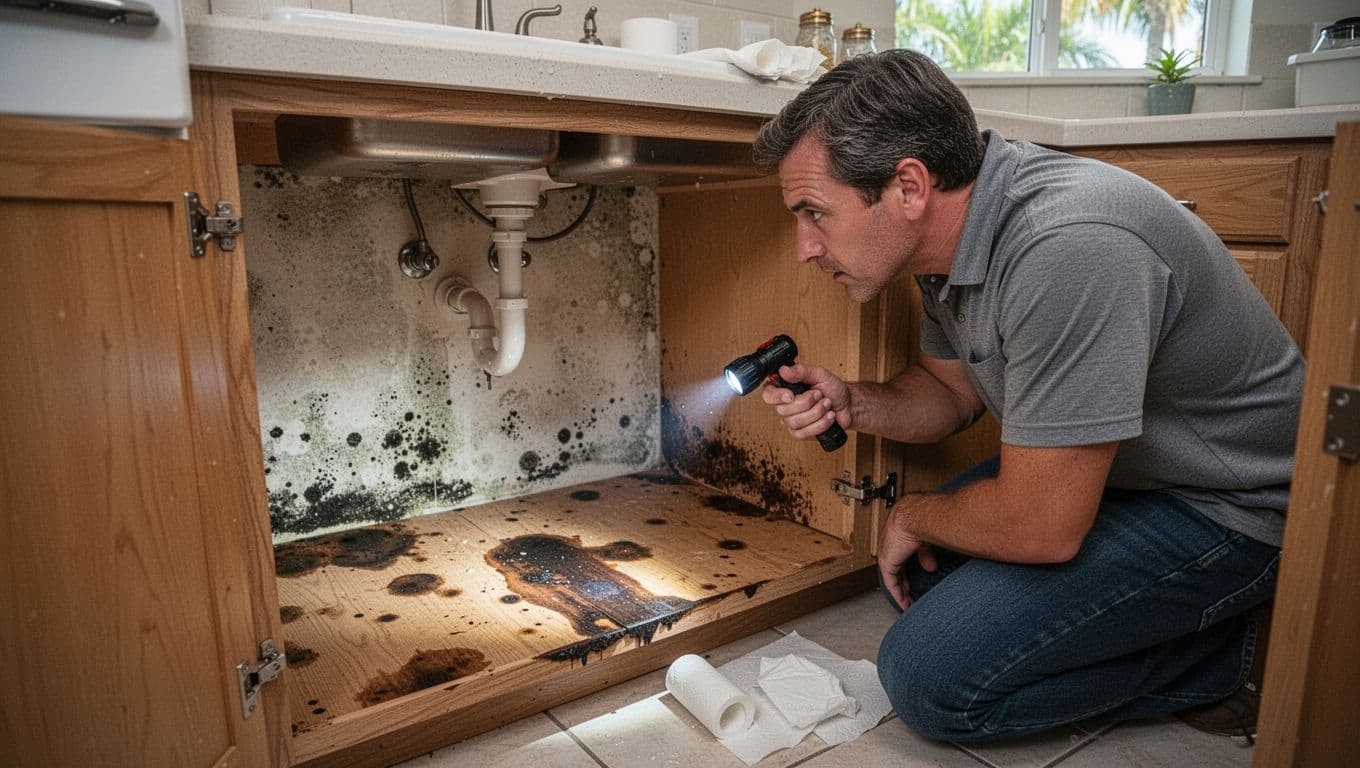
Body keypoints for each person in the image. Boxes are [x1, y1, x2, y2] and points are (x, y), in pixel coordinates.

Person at [750, 49, 1301, 744]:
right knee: (921, 580)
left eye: (814, 214)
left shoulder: (1064, 247)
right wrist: (853, 402)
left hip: (1229, 507)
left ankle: (1227, 659)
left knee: (929, 679)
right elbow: (950, 391)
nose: (804, 246)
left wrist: (917, 512)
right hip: (1123, 474)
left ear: (909, 188)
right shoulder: (945, 241)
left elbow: (1042, 527)